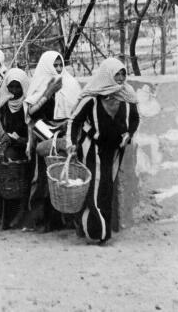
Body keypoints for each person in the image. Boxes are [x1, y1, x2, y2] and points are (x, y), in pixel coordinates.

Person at [69, 57, 139, 244]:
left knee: (106, 190)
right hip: (93, 150)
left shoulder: (127, 96)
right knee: (95, 191)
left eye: (123, 73)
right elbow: (74, 120)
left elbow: (134, 120)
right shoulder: (92, 98)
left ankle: (92, 227)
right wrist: (72, 143)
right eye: (117, 74)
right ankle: (98, 233)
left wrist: (128, 135)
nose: (121, 77)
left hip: (114, 152)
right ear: (107, 75)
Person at [22, 50, 81, 232]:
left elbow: (76, 109)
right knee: (41, 180)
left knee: (63, 177)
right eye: (54, 65)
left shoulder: (70, 83)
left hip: (63, 135)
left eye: (59, 65)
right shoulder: (41, 83)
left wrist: (65, 124)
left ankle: (63, 220)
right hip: (42, 135)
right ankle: (41, 220)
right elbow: (30, 112)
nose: (57, 69)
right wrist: (48, 92)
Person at [0, 68, 31, 229]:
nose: (14, 91)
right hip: (9, 144)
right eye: (11, 87)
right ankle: (4, 217)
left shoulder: (27, 103)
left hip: (25, 145)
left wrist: (23, 140)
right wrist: (3, 134)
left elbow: (31, 127)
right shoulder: (5, 102)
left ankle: (22, 214)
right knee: (3, 171)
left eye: (17, 87)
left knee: (24, 180)